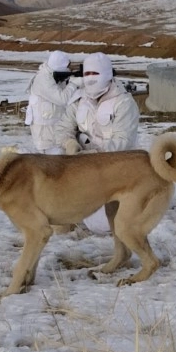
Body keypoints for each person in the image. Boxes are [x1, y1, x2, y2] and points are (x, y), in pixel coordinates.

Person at [72, 52, 141, 232]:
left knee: (105, 225)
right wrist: (68, 141)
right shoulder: (79, 100)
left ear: (108, 74)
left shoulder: (124, 102)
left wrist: (92, 155)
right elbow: (63, 125)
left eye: (95, 73)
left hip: (116, 169)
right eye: (86, 74)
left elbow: (123, 142)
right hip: (87, 168)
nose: (90, 78)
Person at [25, 51, 80, 154]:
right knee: (51, 162)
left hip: (53, 129)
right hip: (45, 133)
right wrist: (73, 84)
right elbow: (62, 99)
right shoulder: (43, 79)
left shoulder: (51, 75)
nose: (69, 69)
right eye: (67, 66)